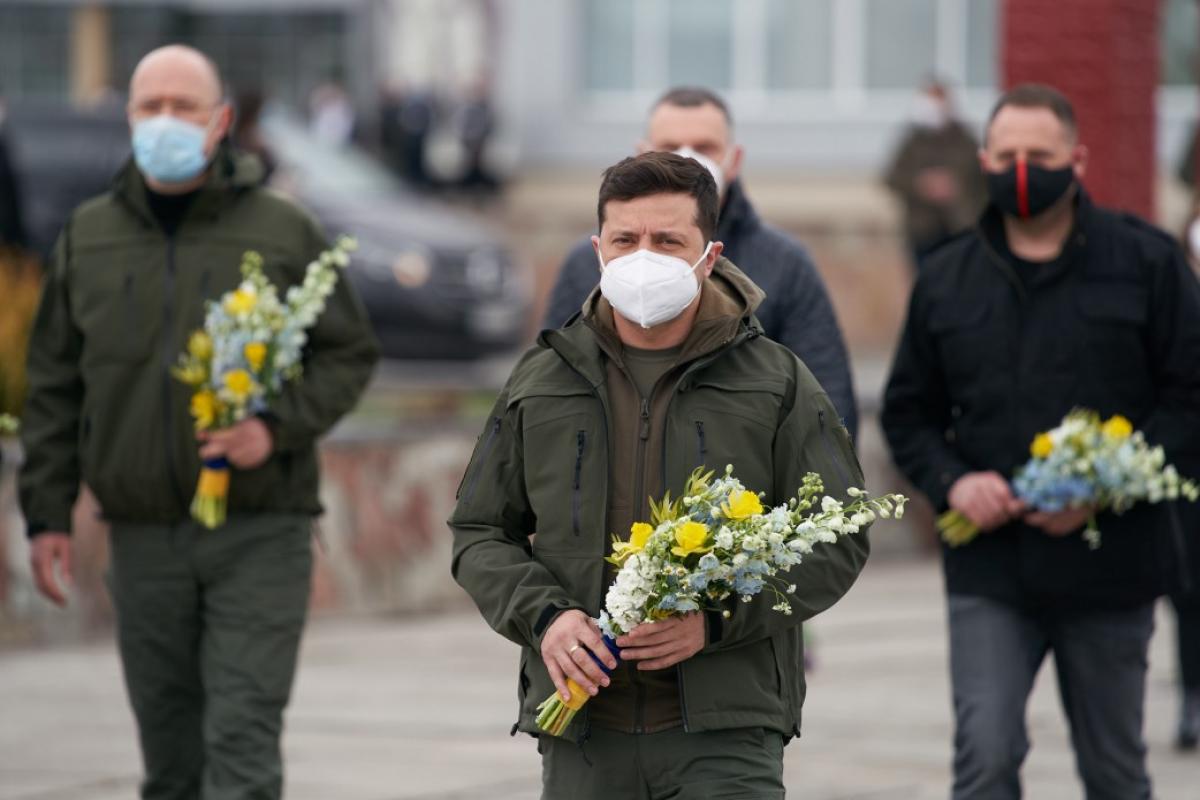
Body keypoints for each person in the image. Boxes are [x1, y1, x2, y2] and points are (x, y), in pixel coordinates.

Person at [449, 151, 869, 799]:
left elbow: (839, 534)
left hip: (728, 734)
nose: (644, 257)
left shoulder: (776, 380)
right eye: (626, 240)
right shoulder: (542, 376)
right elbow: (478, 531)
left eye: (668, 240)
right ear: (598, 249)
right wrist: (547, 619)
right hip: (582, 731)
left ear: (709, 254)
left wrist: (716, 621)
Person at [19, 45, 378, 800]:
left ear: (219, 122)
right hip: (141, 533)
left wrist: (273, 428)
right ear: (129, 117)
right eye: (151, 106)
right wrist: (45, 512)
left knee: (240, 746)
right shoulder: (89, 235)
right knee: (171, 762)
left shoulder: (283, 229)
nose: (166, 121)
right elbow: (54, 386)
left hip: (259, 531)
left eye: (184, 107)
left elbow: (347, 353)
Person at [881, 83, 1200, 799]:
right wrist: (953, 482)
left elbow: (1190, 398)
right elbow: (908, 413)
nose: (1023, 168)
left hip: (1113, 566)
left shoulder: (1146, 262)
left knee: (1115, 773)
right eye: (1009, 155)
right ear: (985, 159)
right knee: (986, 758)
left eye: (1041, 155)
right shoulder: (946, 278)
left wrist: (1111, 485)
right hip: (991, 567)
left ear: (1077, 160)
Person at [542, 87, 858, 440]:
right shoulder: (586, 265)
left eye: (705, 147)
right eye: (670, 146)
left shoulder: (784, 263)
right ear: (642, 153)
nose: (688, 159)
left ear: (733, 160)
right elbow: (551, 388)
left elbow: (827, 395)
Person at [882, 79, 987, 271]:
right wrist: (921, 185)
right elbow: (892, 177)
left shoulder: (965, 139)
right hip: (923, 231)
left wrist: (955, 187)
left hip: (960, 228)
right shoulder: (913, 140)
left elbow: (982, 178)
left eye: (936, 100)